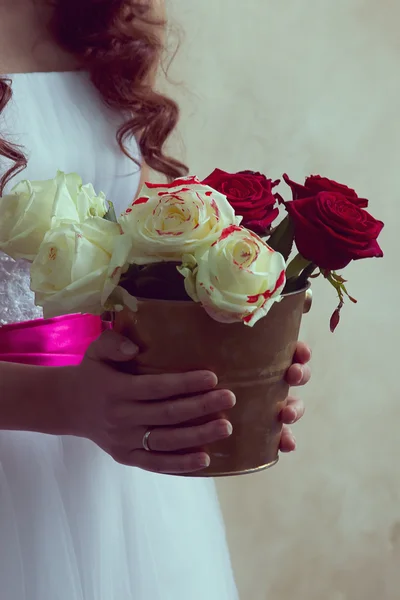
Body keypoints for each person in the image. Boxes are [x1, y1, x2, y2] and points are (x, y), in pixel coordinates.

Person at [0, 1, 311, 598]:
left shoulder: (104, 14)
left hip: (119, 471)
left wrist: (232, 349)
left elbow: (133, 254)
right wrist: (66, 405)